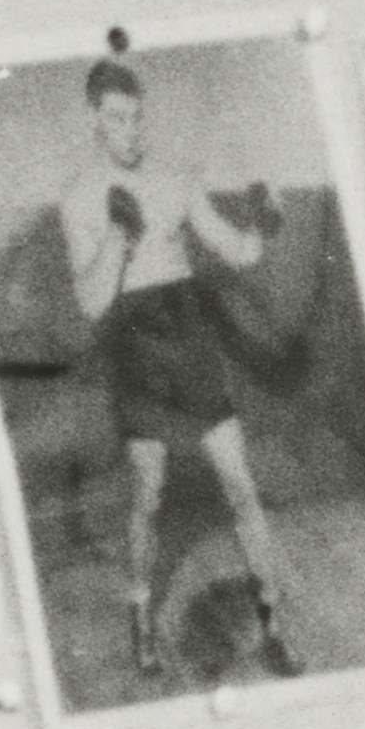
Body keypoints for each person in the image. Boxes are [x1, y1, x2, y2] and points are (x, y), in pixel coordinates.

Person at [63, 47, 305, 675]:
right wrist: (120, 234)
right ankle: (141, 616)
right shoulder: (82, 200)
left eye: (137, 116)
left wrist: (269, 217)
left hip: (190, 339)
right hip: (136, 349)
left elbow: (240, 252)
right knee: (148, 493)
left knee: (240, 485)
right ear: (95, 121)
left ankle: (274, 622)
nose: (131, 130)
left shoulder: (177, 179)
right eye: (117, 118)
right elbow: (91, 304)